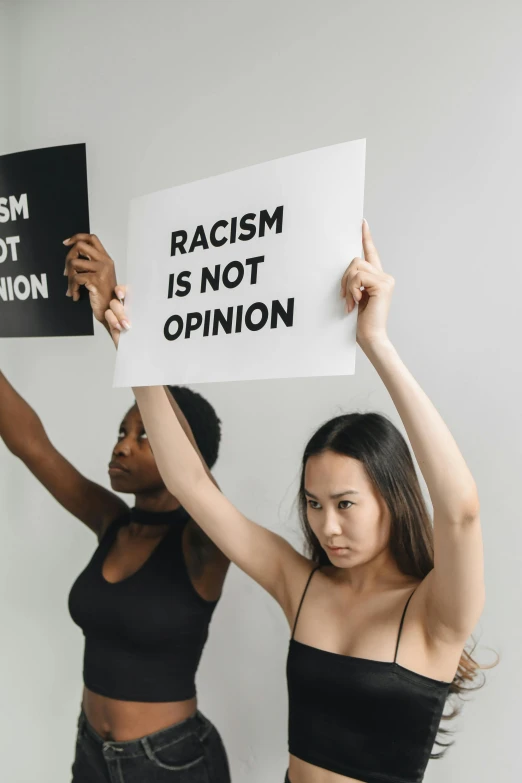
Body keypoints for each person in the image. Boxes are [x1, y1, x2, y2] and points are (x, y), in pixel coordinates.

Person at [107, 220, 487, 783]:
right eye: (313, 503)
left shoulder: (436, 612)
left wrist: (375, 341)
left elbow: (460, 510)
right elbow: (192, 485)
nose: (326, 525)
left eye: (346, 503)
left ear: (393, 499)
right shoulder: (303, 584)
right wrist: (135, 355)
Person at [0, 234, 231, 783]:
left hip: (171, 763)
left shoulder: (205, 544)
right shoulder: (114, 522)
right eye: (122, 429)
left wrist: (113, 319)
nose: (123, 444)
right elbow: (30, 444)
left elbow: (196, 484)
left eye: (144, 434)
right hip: (91, 755)